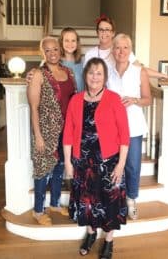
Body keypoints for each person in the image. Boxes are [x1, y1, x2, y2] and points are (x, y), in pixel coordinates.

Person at [63, 57, 130, 259]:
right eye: (91, 72)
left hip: (109, 161)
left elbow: (124, 135)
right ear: (86, 75)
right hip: (83, 162)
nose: (95, 76)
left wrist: (121, 165)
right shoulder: (76, 99)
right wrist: (68, 162)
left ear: (105, 77)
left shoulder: (114, 99)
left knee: (109, 202)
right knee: (87, 201)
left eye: (99, 73)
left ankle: (108, 241)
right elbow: (68, 132)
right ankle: (91, 234)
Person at [27, 36, 76, 225]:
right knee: (42, 170)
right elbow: (34, 108)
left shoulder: (69, 72)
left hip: (66, 130)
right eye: (47, 50)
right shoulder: (38, 74)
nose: (52, 53)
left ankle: (55, 203)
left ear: (60, 50)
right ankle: (38, 210)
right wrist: (38, 136)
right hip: (46, 131)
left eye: (55, 49)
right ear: (43, 53)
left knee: (59, 168)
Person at [107, 33, 152, 220]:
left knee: (132, 166)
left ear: (130, 50)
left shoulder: (139, 71)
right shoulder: (106, 71)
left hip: (133, 126)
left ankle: (132, 199)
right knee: (113, 165)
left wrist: (134, 100)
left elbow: (148, 99)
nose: (121, 51)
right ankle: (116, 199)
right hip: (111, 127)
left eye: (125, 47)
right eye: (118, 47)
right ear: (113, 50)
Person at [84, 14, 168, 80]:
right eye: (101, 30)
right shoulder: (90, 54)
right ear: (97, 32)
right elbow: (87, 78)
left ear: (113, 33)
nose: (104, 33)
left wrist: (165, 76)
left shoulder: (121, 51)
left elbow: (140, 69)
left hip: (119, 94)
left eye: (107, 30)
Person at [59, 27, 84, 92]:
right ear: (61, 42)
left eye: (73, 40)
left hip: (79, 100)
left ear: (77, 43)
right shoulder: (55, 62)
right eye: (67, 40)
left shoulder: (83, 62)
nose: (70, 44)